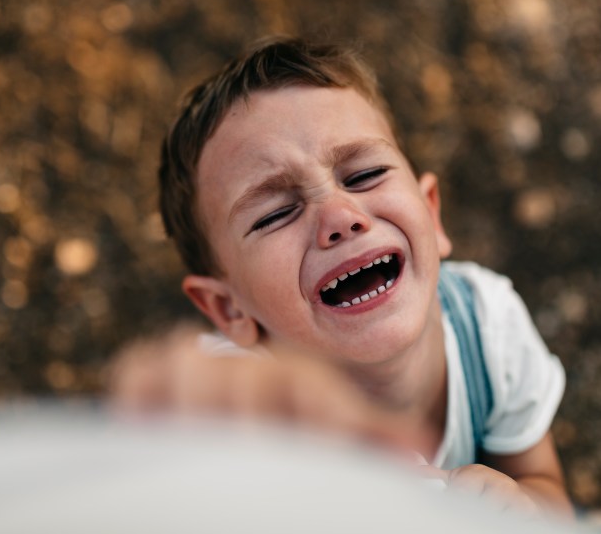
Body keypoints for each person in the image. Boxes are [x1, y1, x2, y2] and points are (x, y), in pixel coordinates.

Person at [110, 37, 572, 516]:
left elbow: (543, 483)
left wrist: (520, 510)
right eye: (275, 214)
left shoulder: (488, 330)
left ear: (432, 219)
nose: (340, 215)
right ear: (229, 308)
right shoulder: (241, 414)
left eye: (365, 174)